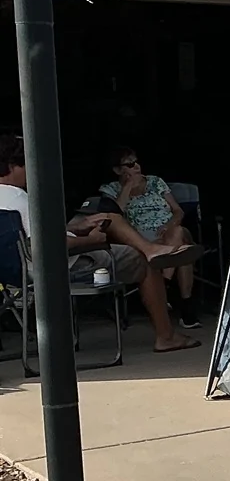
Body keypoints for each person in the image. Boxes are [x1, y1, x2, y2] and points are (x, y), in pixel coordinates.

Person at [0, 133, 200, 353]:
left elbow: (28, 239)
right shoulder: (21, 199)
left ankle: (151, 249)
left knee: (104, 218)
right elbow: (47, 247)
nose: (31, 170)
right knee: (142, 260)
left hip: (14, 270)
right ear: (12, 166)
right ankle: (166, 336)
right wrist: (90, 240)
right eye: (26, 164)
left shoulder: (5, 200)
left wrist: (76, 228)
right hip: (59, 267)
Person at [101, 146, 201, 329]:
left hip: (169, 230)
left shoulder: (155, 182)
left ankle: (163, 283)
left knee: (179, 235)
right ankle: (187, 309)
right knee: (182, 251)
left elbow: (177, 211)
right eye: (130, 164)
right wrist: (128, 186)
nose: (137, 166)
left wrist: (169, 225)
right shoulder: (111, 190)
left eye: (137, 162)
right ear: (117, 170)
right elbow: (116, 215)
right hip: (141, 239)